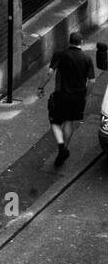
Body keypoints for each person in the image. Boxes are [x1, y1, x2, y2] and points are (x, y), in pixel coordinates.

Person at [38, 29, 95, 167]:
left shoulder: (60, 55)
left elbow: (49, 73)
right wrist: (85, 96)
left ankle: (61, 146)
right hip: (77, 97)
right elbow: (92, 81)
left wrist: (41, 87)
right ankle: (64, 149)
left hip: (61, 95)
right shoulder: (87, 59)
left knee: (55, 122)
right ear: (81, 42)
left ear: (69, 42)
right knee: (69, 121)